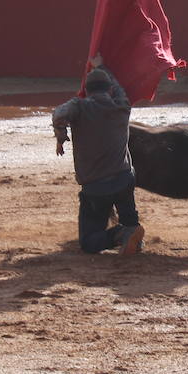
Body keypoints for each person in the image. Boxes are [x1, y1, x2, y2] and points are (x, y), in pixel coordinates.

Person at [52, 55, 146, 255]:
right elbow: (118, 88)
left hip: (96, 186)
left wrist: (61, 137)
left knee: (88, 243)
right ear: (110, 90)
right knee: (128, 211)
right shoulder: (122, 105)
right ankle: (132, 231)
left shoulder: (79, 106)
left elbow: (59, 115)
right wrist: (102, 65)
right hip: (124, 179)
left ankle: (121, 235)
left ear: (86, 91)